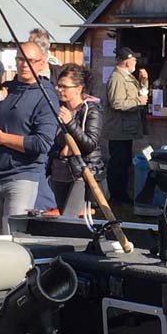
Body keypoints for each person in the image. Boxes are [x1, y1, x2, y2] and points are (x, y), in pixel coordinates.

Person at [0, 41, 58, 234]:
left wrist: (2, 138)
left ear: (42, 62)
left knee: (13, 236)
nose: (24, 65)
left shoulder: (46, 97)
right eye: (20, 59)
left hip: (23, 176)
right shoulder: (5, 89)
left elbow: (42, 143)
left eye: (30, 60)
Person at [48, 63, 103, 218]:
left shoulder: (90, 111)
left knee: (69, 218)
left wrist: (70, 123)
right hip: (59, 171)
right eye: (58, 86)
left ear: (79, 89)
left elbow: (90, 144)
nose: (60, 90)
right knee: (62, 215)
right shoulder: (58, 109)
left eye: (64, 87)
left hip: (81, 172)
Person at [102, 47, 148, 203]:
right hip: (118, 129)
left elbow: (141, 94)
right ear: (127, 61)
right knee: (118, 164)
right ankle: (116, 197)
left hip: (124, 129)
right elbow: (117, 103)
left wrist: (144, 81)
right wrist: (138, 102)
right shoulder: (117, 78)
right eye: (134, 59)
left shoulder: (126, 76)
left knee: (124, 162)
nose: (136, 61)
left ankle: (121, 195)